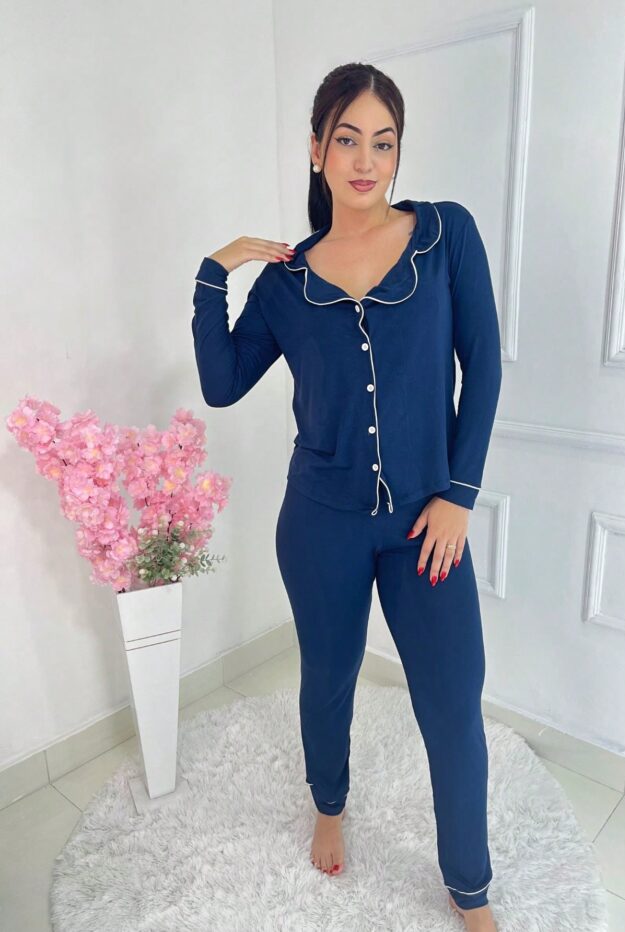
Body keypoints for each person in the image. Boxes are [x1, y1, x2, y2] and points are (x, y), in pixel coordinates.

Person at [191, 62, 502, 932]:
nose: (367, 160)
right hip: (319, 523)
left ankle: (470, 888)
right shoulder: (285, 282)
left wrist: (459, 495)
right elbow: (222, 384)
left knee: (452, 701)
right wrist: (214, 274)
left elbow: (483, 367)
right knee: (328, 677)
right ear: (317, 149)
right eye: (348, 140)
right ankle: (329, 803)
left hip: (426, 524)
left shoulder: (445, 235)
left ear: (399, 152)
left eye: (384, 142)